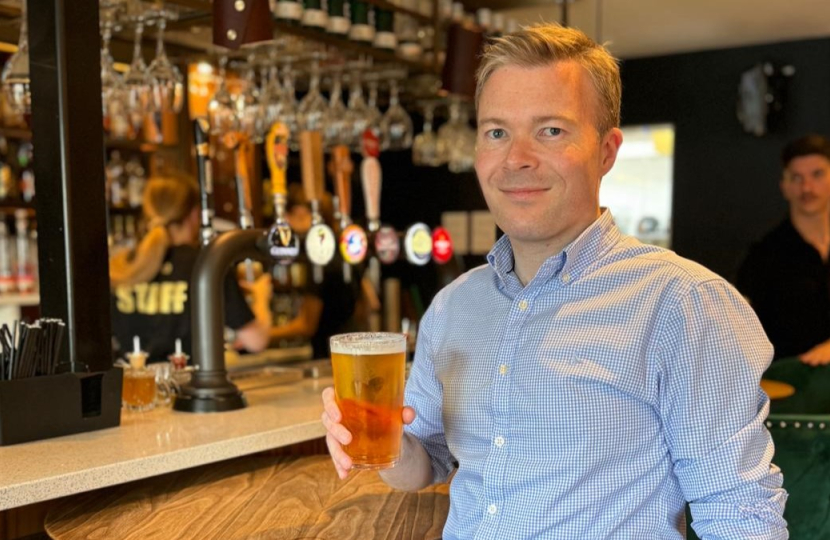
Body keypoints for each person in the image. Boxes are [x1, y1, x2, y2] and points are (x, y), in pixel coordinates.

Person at [322, 24, 788, 539]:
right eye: (497, 132)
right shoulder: (454, 306)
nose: (517, 158)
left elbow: (740, 514)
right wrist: (378, 437)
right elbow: (425, 462)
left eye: (551, 131)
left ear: (607, 151)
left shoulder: (683, 303)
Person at [110, 174, 271, 363]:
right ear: (194, 214)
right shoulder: (207, 264)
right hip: (189, 388)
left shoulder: (121, 265)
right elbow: (256, 341)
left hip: (132, 388)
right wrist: (261, 298)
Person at [737, 134, 830, 366]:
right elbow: (740, 329)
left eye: (817, 175)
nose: (807, 188)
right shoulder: (763, 256)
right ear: (784, 187)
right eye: (796, 178)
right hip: (790, 386)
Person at [268, 183, 363, 359]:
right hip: (353, 350)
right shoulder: (346, 252)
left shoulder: (319, 259)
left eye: (291, 215)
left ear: (306, 215)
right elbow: (369, 304)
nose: (287, 222)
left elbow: (306, 324)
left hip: (328, 357)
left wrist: (265, 334)